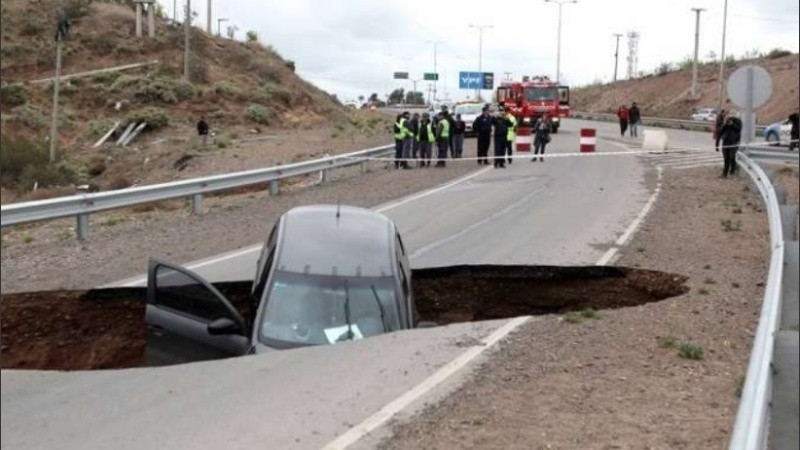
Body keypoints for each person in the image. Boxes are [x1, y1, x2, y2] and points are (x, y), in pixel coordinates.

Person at [717, 114, 742, 178]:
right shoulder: (727, 122)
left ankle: (732, 170)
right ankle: (724, 173)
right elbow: (721, 132)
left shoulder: (738, 121)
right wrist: (717, 143)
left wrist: (732, 124)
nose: (730, 118)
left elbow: (738, 129)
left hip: (733, 142)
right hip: (726, 142)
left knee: (732, 157)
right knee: (726, 158)